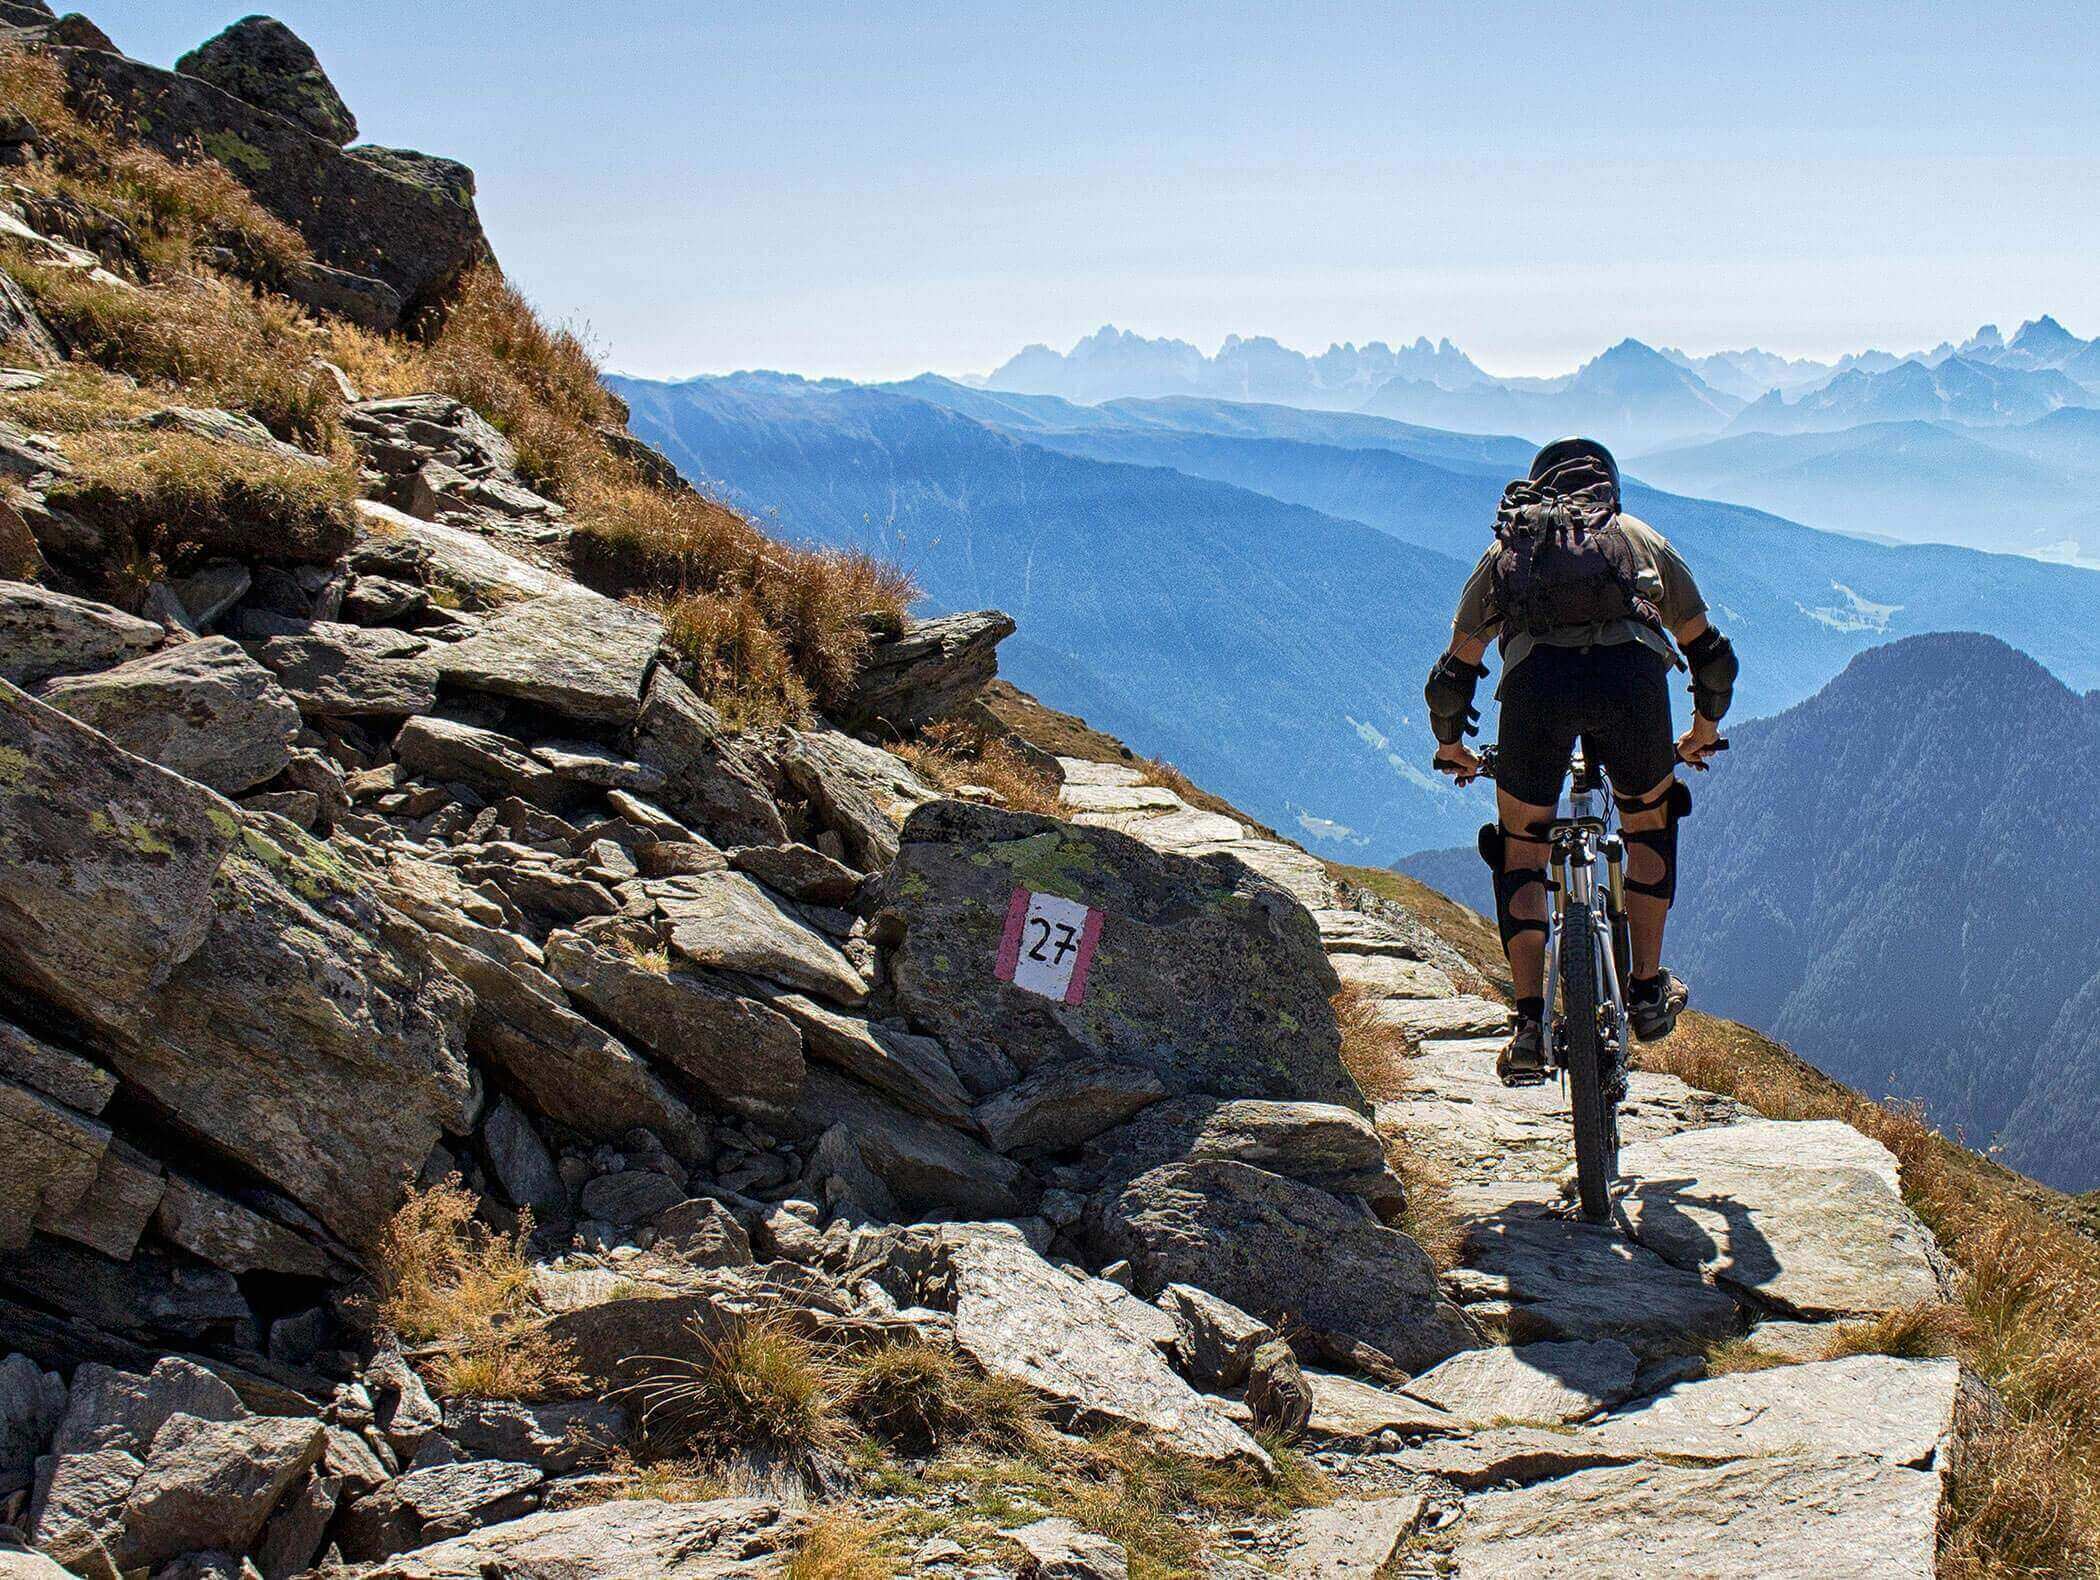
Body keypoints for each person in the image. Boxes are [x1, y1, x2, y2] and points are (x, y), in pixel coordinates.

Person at [1423, 436, 1736, 1084]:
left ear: (1537, 493)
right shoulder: (1639, 538)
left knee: (1522, 846)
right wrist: (1702, 730)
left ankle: (1530, 1027)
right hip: (1631, 686)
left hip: (1538, 689)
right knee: (1649, 822)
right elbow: (1712, 656)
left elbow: (1454, 671)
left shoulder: (1509, 552)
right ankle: (1646, 992)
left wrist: (1452, 744)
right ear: (1607, 490)